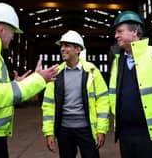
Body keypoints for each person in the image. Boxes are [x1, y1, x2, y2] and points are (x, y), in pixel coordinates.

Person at [0, 2, 58, 158]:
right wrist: (38, 80)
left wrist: (16, 85)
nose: (13, 37)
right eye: (12, 32)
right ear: (0, 30)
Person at [42, 30, 110, 158]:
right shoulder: (56, 73)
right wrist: (49, 133)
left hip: (86, 129)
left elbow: (102, 101)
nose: (62, 49)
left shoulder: (92, 71)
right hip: (64, 130)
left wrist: (101, 129)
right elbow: (48, 105)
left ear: (78, 49)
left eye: (67, 45)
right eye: (61, 45)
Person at [109, 10, 152, 158]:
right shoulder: (117, 61)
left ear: (134, 31)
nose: (116, 36)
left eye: (120, 31)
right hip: (125, 133)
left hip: (149, 133)